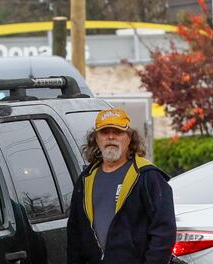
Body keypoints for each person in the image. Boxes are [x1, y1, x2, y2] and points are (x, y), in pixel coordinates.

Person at [67, 109, 176, 264]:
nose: (111, 137)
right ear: (96, 138)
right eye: (104, 132)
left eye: (118, 132)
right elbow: (74, 234)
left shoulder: (147, 176)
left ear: (129, 138)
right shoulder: (85, 179)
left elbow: (164, 231)